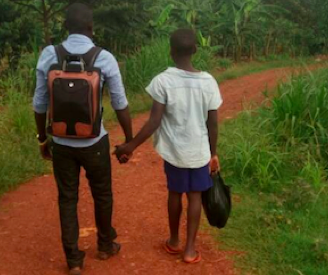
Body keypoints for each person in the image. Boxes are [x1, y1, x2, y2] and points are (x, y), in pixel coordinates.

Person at [33, 3, 133, 275]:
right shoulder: (104, 58)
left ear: (65, 27)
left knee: (67, 198)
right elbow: (120, 104)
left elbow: (40, 103)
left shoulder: (48, 55)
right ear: (91, 28)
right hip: (94, 143)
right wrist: (129, 140)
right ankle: (104, 245)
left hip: (62, 143)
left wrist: (43, 138)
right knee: (102, 193)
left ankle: (74, 261)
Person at [115, 28, 222, 264]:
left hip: (174, 152)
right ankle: (190, 249)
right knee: (195, 197)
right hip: (199, 153)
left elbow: (154, 121)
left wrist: (130, 146)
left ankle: (174, 241)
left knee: (175, 194)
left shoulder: (163, 81)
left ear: (171, 51)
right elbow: (212, 123)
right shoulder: (208, 82)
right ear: (195, 50)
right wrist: (213, 152)